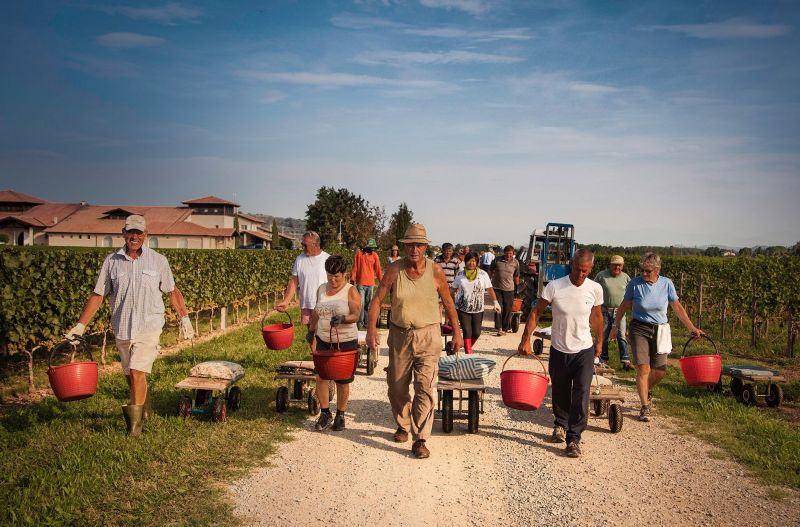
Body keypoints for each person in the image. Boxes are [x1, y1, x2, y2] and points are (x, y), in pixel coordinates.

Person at [65, 214, 194, 437]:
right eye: (130, 232)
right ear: (123, 234)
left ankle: (134, 429)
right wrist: (80, 325)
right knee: (130, 374)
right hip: (122, 326)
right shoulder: (111, 262)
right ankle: (145, 408)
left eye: (139, 233)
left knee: (136, 371)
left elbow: (172, 291)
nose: (134, 237)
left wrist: (184, 318)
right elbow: (98, 294)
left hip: (149, 325)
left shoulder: (158, 261)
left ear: (146, 235)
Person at [367, 223, 463, 459]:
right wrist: (371, 329)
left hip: (428, 336)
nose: (414, 249)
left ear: (425, 247)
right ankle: (403, 423)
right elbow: (377, 300)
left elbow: (449, 303)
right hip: (400, 335)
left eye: (418, 244)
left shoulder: (435, 271)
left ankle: (421, 438)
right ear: (404, 246)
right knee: (397, 387)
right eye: (410, 244)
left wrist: (458, 332)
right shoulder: (394, 269)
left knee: (424, 386)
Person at [518, 248, 603, 458]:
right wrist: (525, 339)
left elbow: (597, 317)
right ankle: (560, 424)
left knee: (582, 391)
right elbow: (536, 312)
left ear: (590, 268)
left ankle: (573, 439)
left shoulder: (595, 289)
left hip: (583, 348)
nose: (580, 275)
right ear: (571, 265)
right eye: (577, 269)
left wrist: (600, 341)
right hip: (559, 348)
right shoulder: (555, 286)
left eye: (585, 271)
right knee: (560, 390)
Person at [611, 252, 703, 422]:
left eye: (648, 271)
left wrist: (691, 327)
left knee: (660, 371)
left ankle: (646, 389)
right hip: (639, 328)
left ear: (657, 269)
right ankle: (645, 406)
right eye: (642, 270)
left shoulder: (667, 284)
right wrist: (615, 326)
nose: (644, 274)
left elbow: (676, 306)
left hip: (660, 330)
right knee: (643, 368)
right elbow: (624, 305)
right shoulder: (635, 284)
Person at [309, 255, 361, 432]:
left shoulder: (350, 290)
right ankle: (325, 413)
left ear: (344, 274)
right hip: (324, 339)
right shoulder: (321, 289)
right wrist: (311, 331)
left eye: (337, 276)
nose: (333, 280)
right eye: (330, 276)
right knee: (321, 377)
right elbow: (317, 311)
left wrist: (343, 319)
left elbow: (356, 315)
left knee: (342, 381)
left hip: (345, 342)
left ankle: (340, 415)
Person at [276, 231, 330, 326]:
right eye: (302, 244)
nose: (302, 247)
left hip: (323, 305)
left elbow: (336, 282)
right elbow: (294, 281)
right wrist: (286, 301)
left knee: (323, 336)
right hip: (306, 305)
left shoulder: (327, 259)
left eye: (305, 245)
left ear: (315, 244)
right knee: (310, 336)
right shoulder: (300, 259)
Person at [451, 252, 501, 353]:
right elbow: (452, 290)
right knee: (467, 330)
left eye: (473, 261)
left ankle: (467, 346)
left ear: (477, 262)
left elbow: (489, 289)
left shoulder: (483, 274)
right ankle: (468, 352)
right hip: (462, 308)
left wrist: (495, 302)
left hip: (478, 309)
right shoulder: (460, 274)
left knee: (477, 332)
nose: (471, 263)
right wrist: (451, 303)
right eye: (469, 261)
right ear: (465, 262)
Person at [594, 255, 632, 370]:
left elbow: (631, 293)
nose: (617, 267)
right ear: (610, 265)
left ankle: (625, 360)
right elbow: (593, 288)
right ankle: (603, 358)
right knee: (604, 334)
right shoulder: (601, 275)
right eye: (615, 265)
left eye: (619, 265)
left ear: (622, 266)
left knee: (622, 335)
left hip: (620, 311)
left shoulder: (626, 278)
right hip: (605, 309)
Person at [351, 238, 383, 329]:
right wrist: (352, 280)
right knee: (361, 303)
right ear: (367, 246)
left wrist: (382, 282)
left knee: (368, 304)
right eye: (371, 247)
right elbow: (355, 268)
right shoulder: (359, 255)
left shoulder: (375, 256)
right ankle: (360, 323)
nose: (373, 249)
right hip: (360, 283)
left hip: (370, 284)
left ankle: (366, 322)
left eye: (374, 248)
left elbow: (378, 270)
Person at [490, 245, 520, 336]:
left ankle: (505, 327)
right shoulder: (497, 260)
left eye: (510, 253)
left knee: (507, 309)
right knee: (498, 308)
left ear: (513, 253)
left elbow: (516, 276)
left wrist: (517, 289)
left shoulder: (516, 263)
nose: (508, 255)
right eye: (507, 253)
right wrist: (488, 282)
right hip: (497, 288)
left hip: (509, 289)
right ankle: (499, 328)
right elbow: (490, 271)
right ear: (504, 253)